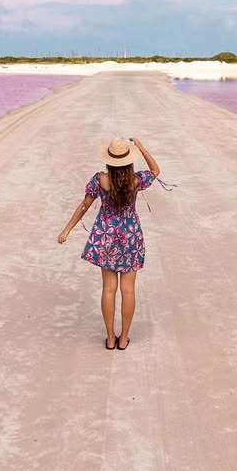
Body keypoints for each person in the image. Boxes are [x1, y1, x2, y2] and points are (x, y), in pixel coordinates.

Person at [57, 135, 160, 351]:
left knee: (109, 289)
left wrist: (67, 229)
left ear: (109, 160)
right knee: (128, 290)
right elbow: (156, 171)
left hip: (106, 238)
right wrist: (140, 146)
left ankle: (110, 339)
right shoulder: (136, 180)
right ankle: (124, 339)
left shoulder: (99, 180)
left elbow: (84, 206)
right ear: (128, 161)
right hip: (131, 237)